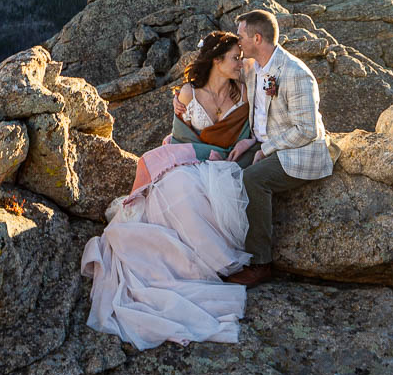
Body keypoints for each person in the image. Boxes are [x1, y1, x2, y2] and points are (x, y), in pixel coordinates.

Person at [79, 31, 260, 350]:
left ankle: (208, 261)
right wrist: (202, 153)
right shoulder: (189, 93)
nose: (240, 62)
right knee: (177, 186)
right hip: (194, 157)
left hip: (228, 164)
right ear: (217, 61)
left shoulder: (244, 92)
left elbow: (254, 129)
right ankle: (178, 264)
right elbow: (181, 140)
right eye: (234, 57)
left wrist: (248, 142)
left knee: (199, 190)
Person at [223, 9, 333, 286]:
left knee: (252, 179)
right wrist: (183, 99)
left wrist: (267, 148)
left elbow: (307, 130)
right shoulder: (253, 68)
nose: (238, 43)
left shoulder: (295, 73)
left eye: (241, 37)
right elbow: (216, 70)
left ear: (257, 38)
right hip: (266, 142)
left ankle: (261, 264)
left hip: (301, 151)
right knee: (223, 173)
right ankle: (227, 249)